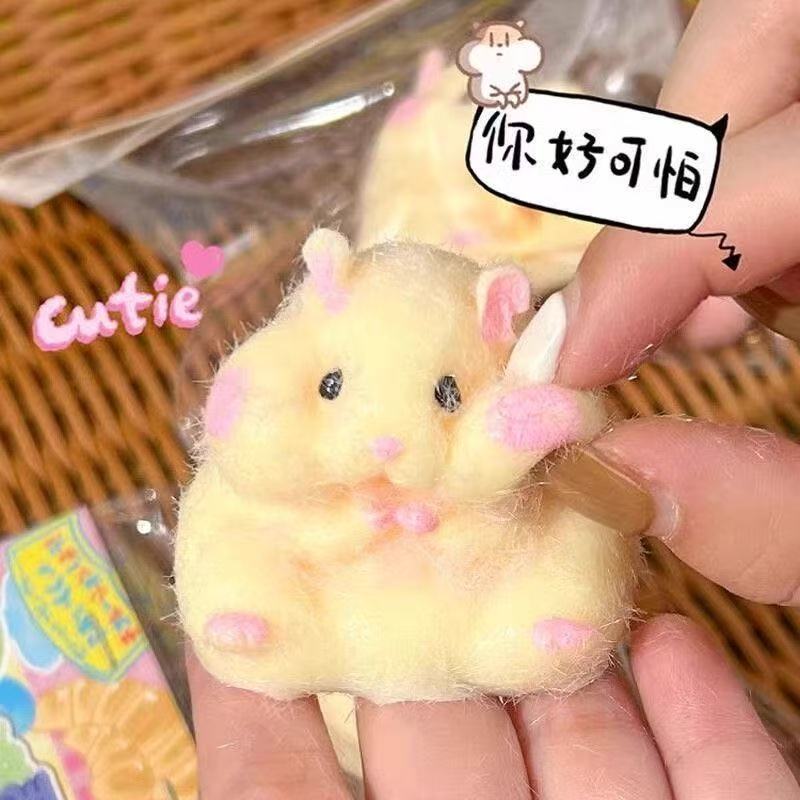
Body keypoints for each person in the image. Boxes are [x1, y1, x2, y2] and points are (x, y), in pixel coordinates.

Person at [188, 0, 800, 796]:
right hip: (324, 585)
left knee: (564, 540)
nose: (386, 442)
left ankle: (533, 631)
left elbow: (552, 443)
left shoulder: (506, 369)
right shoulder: (295, 356)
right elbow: (255, 438)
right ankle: (265, 622)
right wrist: (253, 421)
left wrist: (524, 433)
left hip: (478, 596)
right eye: (335, 388)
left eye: (447, 394)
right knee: (240, 542)